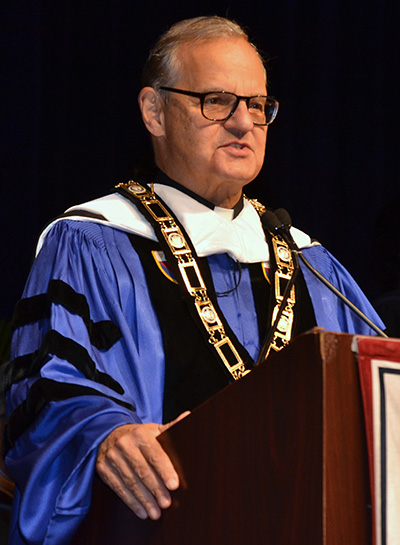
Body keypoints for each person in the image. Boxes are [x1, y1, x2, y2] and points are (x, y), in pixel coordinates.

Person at [3, 15, 384, 545]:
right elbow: (47, 388)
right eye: (217, 101)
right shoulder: (96, 243)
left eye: (257, 105)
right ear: (154, 111)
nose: (243, 123)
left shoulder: (314, 266)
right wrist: (105, 435)